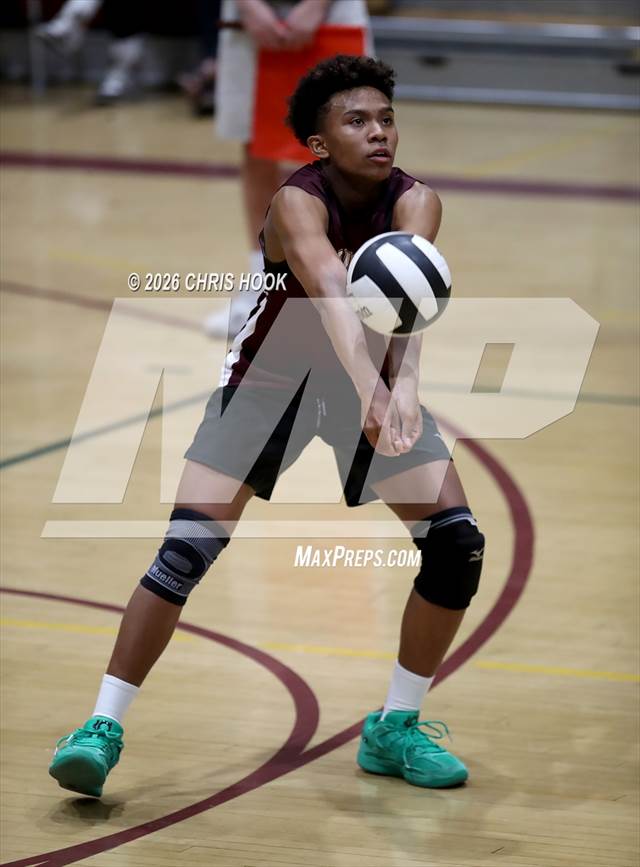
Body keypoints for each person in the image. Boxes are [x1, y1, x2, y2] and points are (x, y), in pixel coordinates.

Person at [49, 55, 486, 798]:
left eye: (385, 118)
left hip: (363, 384)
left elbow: (409, 310)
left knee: (456, 543)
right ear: (318, 144)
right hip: (268, 382)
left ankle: (395, 728)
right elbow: (333, 298)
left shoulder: (419, 203)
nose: (378, 133)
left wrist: (402, 387)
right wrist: (374, 394)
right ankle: (100, 726)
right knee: (183, 552)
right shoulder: (296, 202)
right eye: (356, 121)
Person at [204, 0, 371, 337]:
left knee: (344, 145)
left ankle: (347, 290)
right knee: (256, 147)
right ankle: (262, 291)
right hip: (250, 17)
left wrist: (316, 4)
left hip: (334, 10)